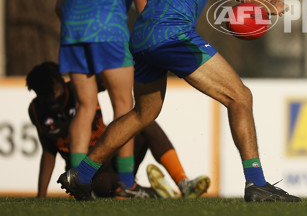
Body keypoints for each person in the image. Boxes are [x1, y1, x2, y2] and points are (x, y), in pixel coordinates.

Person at [57, 0, 307, 202]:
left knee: (143, 114)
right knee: (240, 96)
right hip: (172, 34)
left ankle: (82, 174)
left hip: (144, 36)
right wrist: (268, 8)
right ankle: (256, 183)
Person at [54, 0, 153, 194]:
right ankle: (126, 183)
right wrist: (155, 31)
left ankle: (77, 181)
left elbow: (59, 4)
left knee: (85, 107)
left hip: (72, 30)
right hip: (107, 30)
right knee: (125, 107)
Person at [26, 61, 211, 199]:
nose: (53, 102)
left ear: (60, 79)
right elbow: (48, 151)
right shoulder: (36, 111)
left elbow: (116, 82)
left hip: (113, 151)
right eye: (46, 98)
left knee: (144, 122)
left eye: (55, 95)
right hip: (94, 171)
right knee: (114, 188)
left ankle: (182, 181)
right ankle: (160, 194)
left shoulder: (81, 89)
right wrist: (41, 196)